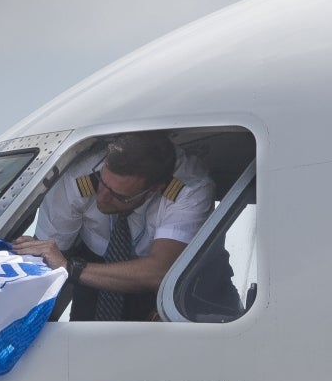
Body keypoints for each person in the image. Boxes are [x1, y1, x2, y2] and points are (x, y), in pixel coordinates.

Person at [13, 131, 216, 321]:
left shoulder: (189, 190)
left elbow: (160, 271)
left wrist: (72, 269)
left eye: (118, 196)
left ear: (153, 190)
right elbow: (48, 261)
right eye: (102, 182)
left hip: (179, 281)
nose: (101, 197)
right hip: (94, 267)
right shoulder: (77, 178)